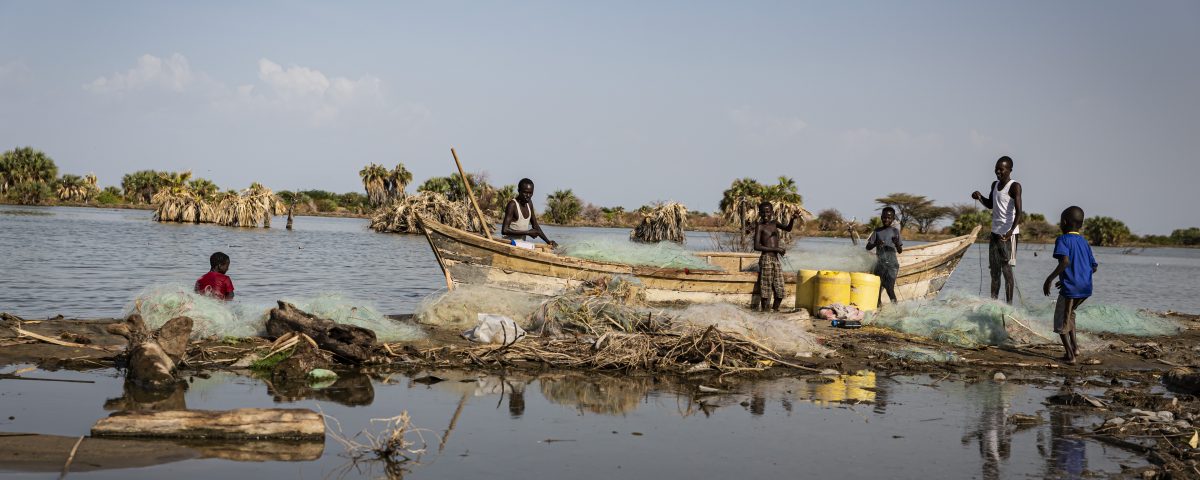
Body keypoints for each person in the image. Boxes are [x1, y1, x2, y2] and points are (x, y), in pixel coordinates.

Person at [1042, 206, 1097, 365]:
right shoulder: (1084, 242)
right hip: (1085, 288)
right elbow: (1093, 267)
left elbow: (1065, 261)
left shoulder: (1063, 239)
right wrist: (1072, 278)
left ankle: (1070, 355)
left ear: (1064, 222)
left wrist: (1049, 279)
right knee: (1070, 314)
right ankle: (1076, 348)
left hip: (1071, 289)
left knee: (1061, 319)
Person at [971, 155, 1023, 304]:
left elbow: (1019, 212)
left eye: (1001, 169)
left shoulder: (1015, 186)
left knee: (1007, 271)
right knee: (994, 271)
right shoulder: (994, 185)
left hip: (1008, 235)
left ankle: (1009, 307)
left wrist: (1011, 231)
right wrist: (979, 197)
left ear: (1009, 170)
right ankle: (994, 304)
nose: (998, 172)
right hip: (995, 234)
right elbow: (990, 205)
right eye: (996, 169)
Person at [753, 201, 800, 312]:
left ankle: (775, 310)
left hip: (776, 259)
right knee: (766, 288)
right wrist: (776, 249)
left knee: (780, 289)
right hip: (766, 259)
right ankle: (765, 311)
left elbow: (788, 229)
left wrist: (793, 219)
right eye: (763, 213)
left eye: (768, 212)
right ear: (759, 213)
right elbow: (756, 246)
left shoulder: (774, 223)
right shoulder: (760, 226)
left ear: (772, 212)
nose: (765, 215)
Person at [501, 178, 557, 247]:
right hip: (509, 244)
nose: (528, 196)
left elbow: (535, 226)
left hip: (521, 244)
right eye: (525, 192)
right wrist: (528, 232)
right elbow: (504, 230)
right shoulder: (512, 205)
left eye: (530, 193)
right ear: (519, 191)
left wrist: (548, 241)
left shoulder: (529, 204)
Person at [866, 206, 903, 305]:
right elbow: (868, 247)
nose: (886, 220)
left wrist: (896, 243)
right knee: (877, 287)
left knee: (889, 287)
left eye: (889, 218)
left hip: (892, 265)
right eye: (884, 217)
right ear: (881, 217)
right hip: (880, 263)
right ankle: (878, 308)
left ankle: (895, 310)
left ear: (892, 219)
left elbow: (900, 251)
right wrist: (875, 243)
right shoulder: (877, 231)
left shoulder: (895, 232)